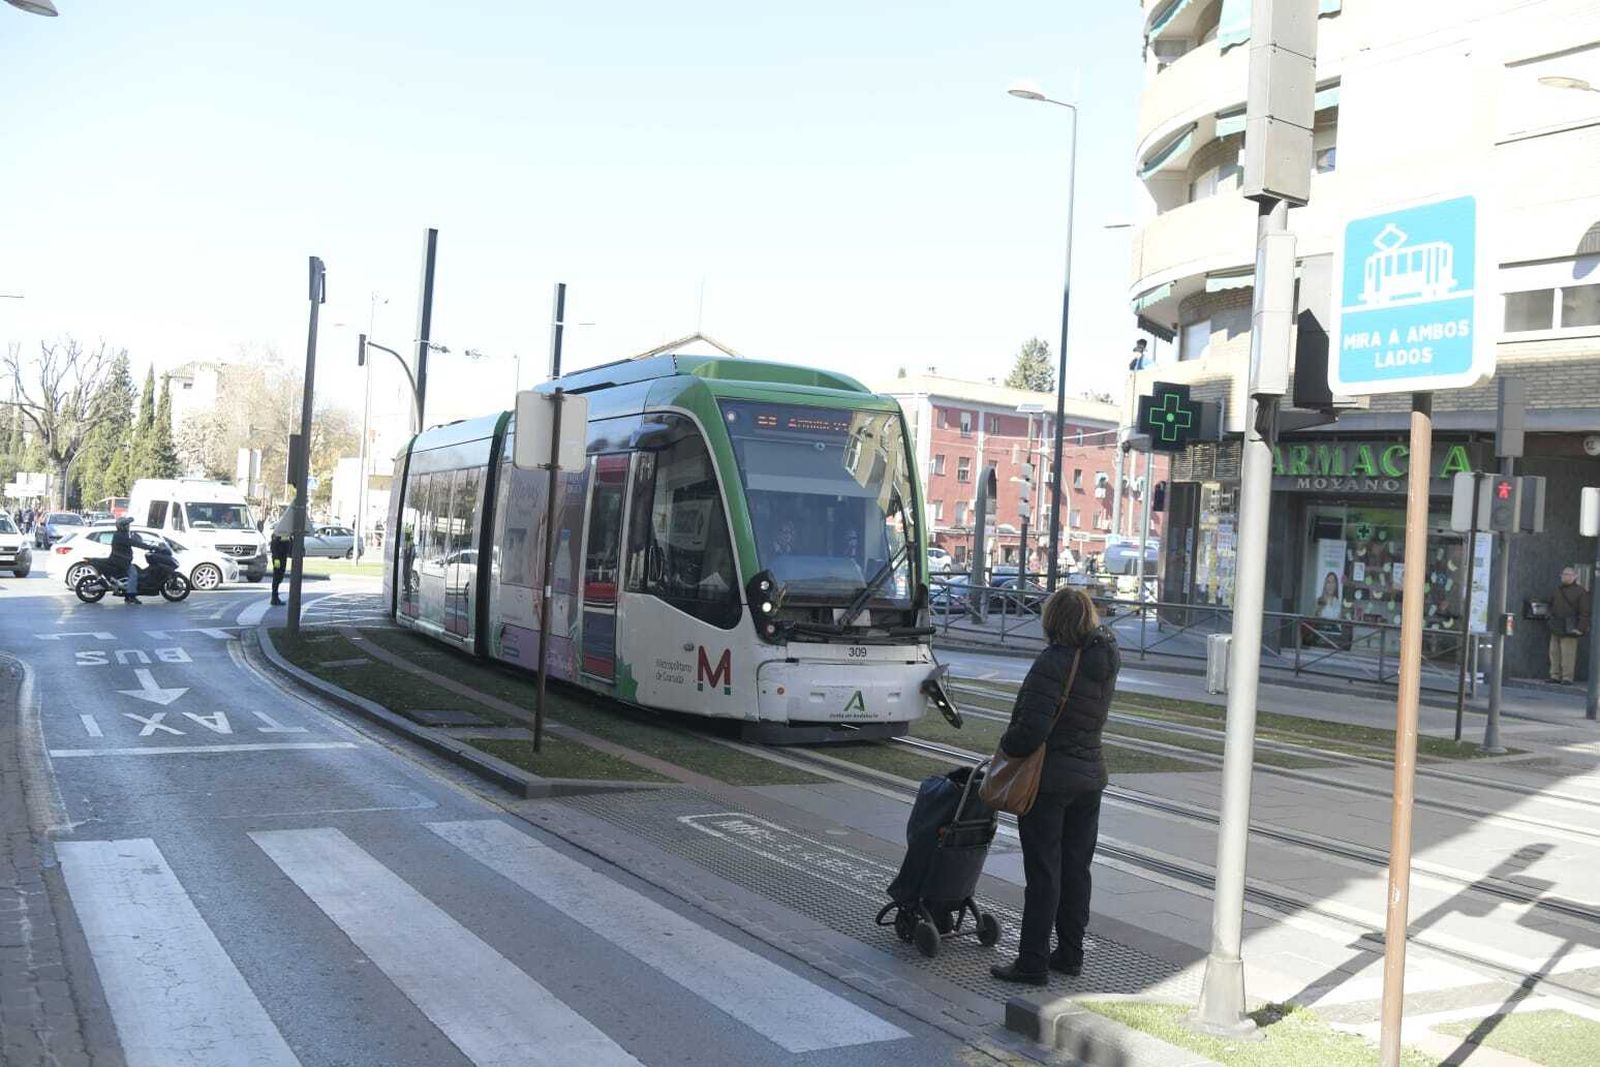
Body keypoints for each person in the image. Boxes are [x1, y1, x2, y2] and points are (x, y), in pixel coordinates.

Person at [990, 587, 1120, 985]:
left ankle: (1031, 962)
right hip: (1089, 777)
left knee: (1044, 873)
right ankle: (1069, 954)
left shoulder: (1053, 662)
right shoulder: (1105, 659)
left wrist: (1006, 749)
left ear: (1052, 621)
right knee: (1076, 871)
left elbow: (1031, 729)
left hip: (1049, 783)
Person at [1548, 566, 1591, 685]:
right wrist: (1550, 618)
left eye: (1568, 574)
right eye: (1564, 574)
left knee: (1568, 653)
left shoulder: (1581, 591)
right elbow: (1551, 604)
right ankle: (1554, 675)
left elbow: (1585, 612)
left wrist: (1580, 628)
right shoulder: (1557, 590)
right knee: (1554, 652)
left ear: (1575, 576)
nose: (1565, 576)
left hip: (1571, 626)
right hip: (1556, 625)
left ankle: (1567, 677)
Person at [108, 516, 142, 605]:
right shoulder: (121, 536)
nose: (128, 527)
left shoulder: (121, 534)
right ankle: (131, 596)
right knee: (134, 574)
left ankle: (127, 595)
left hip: (121, 559)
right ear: (122, 526)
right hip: (121, 561)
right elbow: (134, 543)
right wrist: (150, 547)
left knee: (135, 570)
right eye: (127, 525)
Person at [270, 504, 297, 607]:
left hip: (282, 557)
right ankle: (274, 597)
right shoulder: (278, 531)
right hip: (278, 558)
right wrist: (276, 558)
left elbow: (288, 542)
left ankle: (275, 597)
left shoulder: (285, 532)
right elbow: (275, 545)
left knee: (279, 576)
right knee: (277, 576)